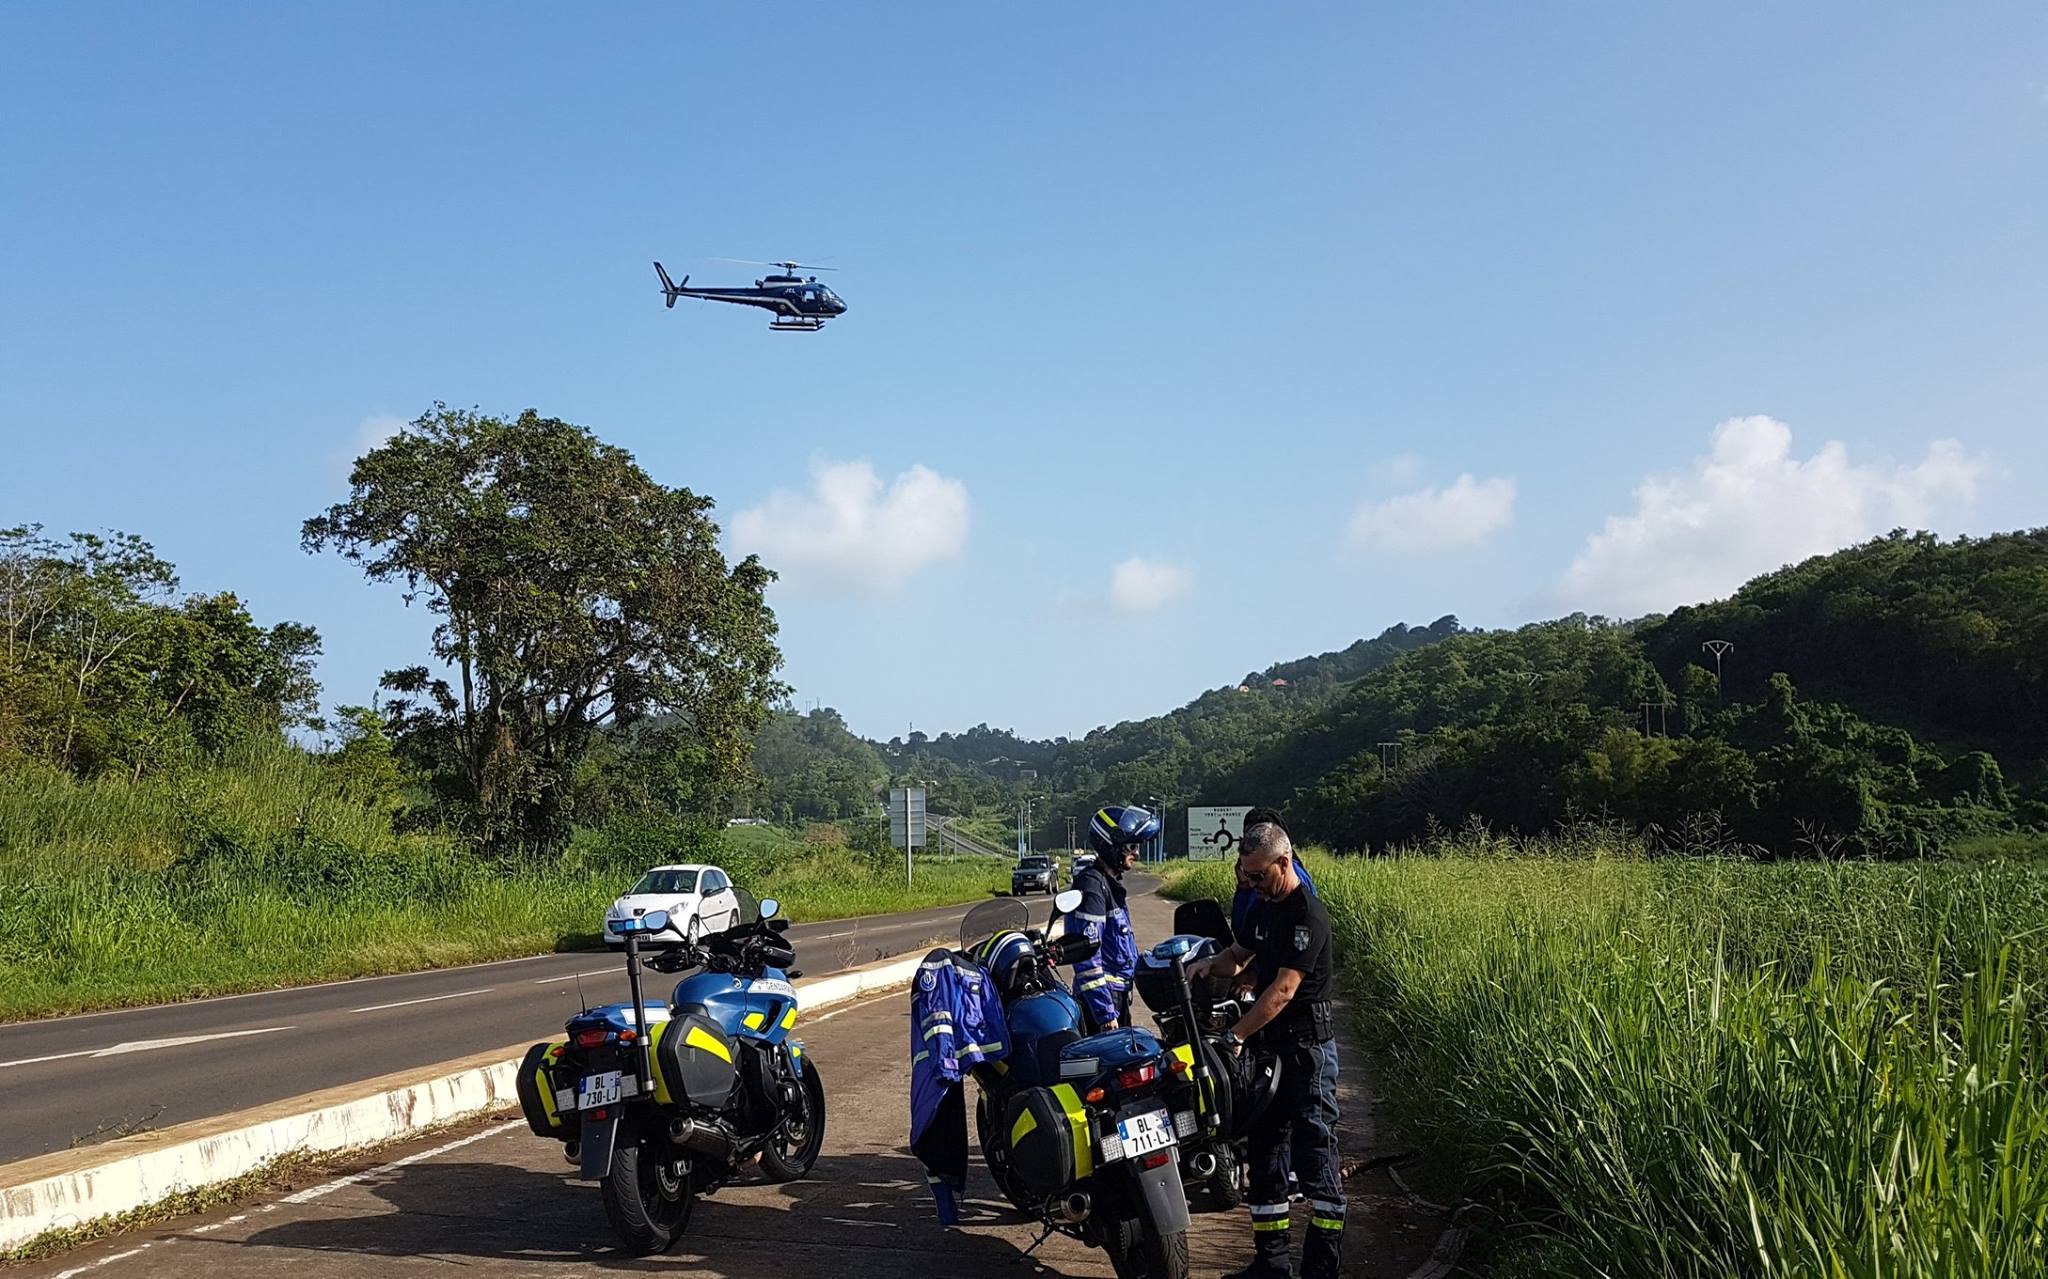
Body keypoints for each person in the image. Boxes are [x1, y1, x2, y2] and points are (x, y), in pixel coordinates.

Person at [1190, 823, 1343, 1279]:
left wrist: (1234, 1035)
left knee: (1315, 1155)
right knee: (1266, 1152)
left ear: (1284, 862)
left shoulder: (1307, 915)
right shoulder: (1263, 907)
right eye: (1246, 876)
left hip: (1306, 1052)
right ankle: (1271, 1265)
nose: (1251, 885)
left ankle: (1321, 1268)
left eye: (1258, 876)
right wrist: (1199, 966)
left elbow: (1282, 990)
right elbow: (1239, 954)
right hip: (1269, 1052)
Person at [1059, 804, 1155, 1034]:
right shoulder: (1092, 887)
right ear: (1111, 846)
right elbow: (1087, 957)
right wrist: (1105, 1013)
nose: (1136, 853)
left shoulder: (1109, 885)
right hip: (1101, 1004)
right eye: (1131, 847)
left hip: (1117, 998)